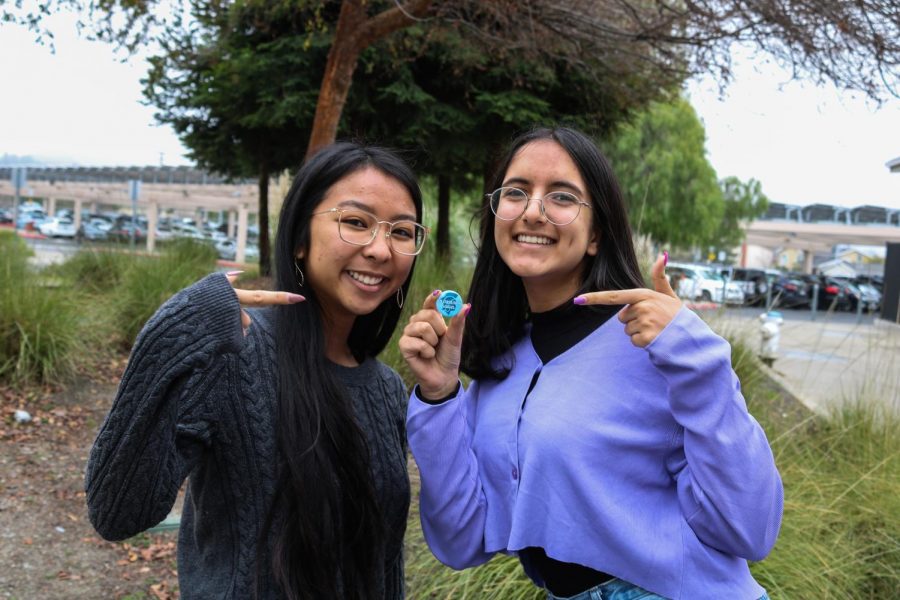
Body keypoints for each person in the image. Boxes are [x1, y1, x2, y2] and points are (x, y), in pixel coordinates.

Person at [399, 127, 783, 600]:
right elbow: (462, 541)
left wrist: (698, 358)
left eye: (561, 197)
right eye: (516, 192)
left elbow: (750, 531)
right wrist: (438, 395)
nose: (532, 211)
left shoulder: (661, 347)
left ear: (597, 233)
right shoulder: (498, 368)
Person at [85, 142, 429, 599]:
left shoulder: (386, 388)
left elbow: (383, 561)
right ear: (300, 239)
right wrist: (173, 333)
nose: (381, 250)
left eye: (402, 232)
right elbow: (117, 513)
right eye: (355, 222)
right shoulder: (237, 353)